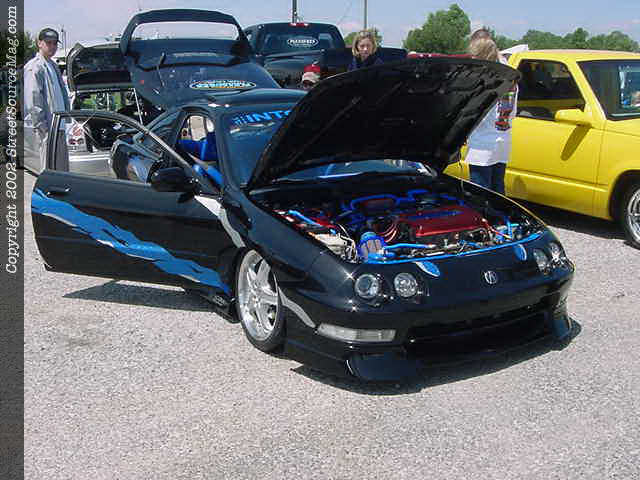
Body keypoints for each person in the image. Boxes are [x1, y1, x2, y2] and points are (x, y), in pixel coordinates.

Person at [464, 32, 517, 195]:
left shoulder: (484, 80)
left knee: (480, 194)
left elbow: (473, 113)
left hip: (482, 145)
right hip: (502, 141)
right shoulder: (510, 77)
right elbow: (512, 112)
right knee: (498, 191)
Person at [24, 28, 71, 172]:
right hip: (48, 129)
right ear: (39, 43)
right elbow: (33, 99)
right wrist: (42, 127)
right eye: (48, 43)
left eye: (55, 43)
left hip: (59, 126)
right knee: (49, 170)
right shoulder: (35, 66)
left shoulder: (53, 65)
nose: (52, 46)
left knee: (62, 171)